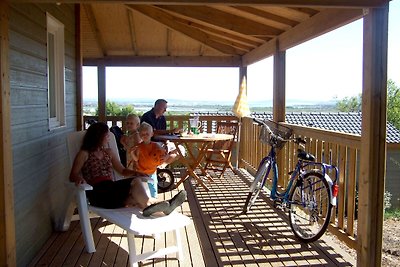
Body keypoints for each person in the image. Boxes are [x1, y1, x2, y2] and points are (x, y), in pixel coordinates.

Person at [69, 122, 186, 217]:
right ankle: (168, 205)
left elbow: (122, 171)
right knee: (135, 184)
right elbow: (73, 175)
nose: (108, 137)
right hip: (97, 193)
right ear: (98, 136)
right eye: (106, 135)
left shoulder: (108, 153)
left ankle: (166, 206)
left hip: (111, 192)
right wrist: (79, 178)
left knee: (138, 199)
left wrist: (137, 173)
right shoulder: (84, 153)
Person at [131, 122, 174, 198]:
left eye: (147, 134)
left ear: (152, 134)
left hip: (152, 172)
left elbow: (164, 154)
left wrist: (165, 157)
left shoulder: (156, 146)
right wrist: (132, 153)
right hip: (141, 172)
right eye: (142, 134)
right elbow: (136, 159)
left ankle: (154, 202)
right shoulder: (139, 147)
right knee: (143, 191)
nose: (145, 136)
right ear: (140, 135)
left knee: (152, 189)